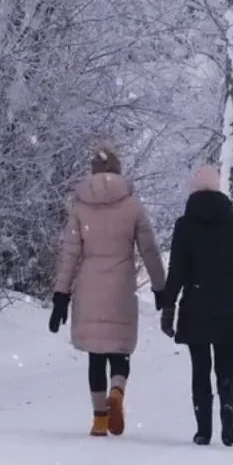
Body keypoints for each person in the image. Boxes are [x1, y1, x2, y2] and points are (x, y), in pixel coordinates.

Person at [49, 144, 165, 437]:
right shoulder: (132, 206)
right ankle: (117, 392)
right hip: (121, 288)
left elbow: (69, 254)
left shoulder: (79, 206)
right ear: (118, 171)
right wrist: (161, 286)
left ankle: (99, 419)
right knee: (119, 350)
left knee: (95, 354)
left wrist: (61, 295)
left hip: (89, 287)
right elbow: (149, 249)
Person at [161, 165, 233, 447]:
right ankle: (228, 408)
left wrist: (169, 310)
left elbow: (176, 270)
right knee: (227, 368)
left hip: (196, 304)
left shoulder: (185, 224)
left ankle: (204, 429)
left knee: (199, 368)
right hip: (229, 305)